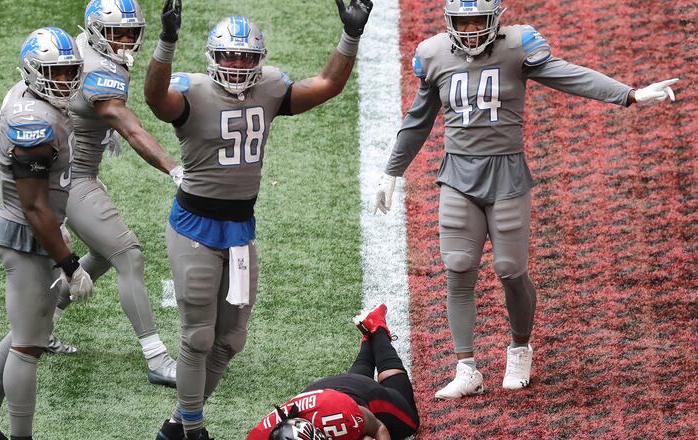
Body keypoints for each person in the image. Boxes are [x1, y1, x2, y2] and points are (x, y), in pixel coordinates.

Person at [373, 0, 679, 399]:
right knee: (458, 267)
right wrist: (392, 171)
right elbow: (418, 119)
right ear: (450, 22)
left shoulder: (517, 46)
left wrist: (630, 94)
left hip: (507, 174)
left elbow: (568, 75)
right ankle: (466, 368)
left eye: (477, 21)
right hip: (458, 175)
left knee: (510, 270)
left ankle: (520, 348)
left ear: (494, 19)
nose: (470, 31)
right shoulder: (433, 54)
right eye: (462, 22)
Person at [145, 0, 374, 438]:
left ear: (259, 60)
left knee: (231, 339)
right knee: (198, 337)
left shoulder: (269, 87)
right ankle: (193, 429)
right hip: (194, 225)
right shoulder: (191, 90)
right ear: (212, 57)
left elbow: (328, 84)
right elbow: (155, 99)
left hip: (240, 230)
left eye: (246, 57)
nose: (236, 65)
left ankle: (177, 423)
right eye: (228, 56)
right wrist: (167, 42)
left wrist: (351, 36)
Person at [0, 27, 93, 440]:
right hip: (26, 233)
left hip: (34, 227)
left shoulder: (32, 98)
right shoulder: (33, 121)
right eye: (55, 72)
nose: (65, 81)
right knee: (28, 346)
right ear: (34, 72)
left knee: (26, 334)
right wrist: (70, 264)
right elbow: (34, 207)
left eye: (70, 71)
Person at [47, 0, 180, 387]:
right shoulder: (99, 72)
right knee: (128, 255)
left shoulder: (83, 49)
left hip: (70, 173)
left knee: (105, 254)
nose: (124, 40)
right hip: (70, 178)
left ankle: (41, 325)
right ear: (95, 32)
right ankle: (156, 357)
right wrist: (173, 167)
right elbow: (131, 128)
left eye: (130, 32)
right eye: (116, 33)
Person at [247, 304, 419, 440]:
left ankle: (378, 329)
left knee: (409, 422)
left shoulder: (338, 419)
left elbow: (377, 428)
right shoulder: (258, 435)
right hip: (326, 395)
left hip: (350, 399)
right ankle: (368, 337)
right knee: (353, 382)